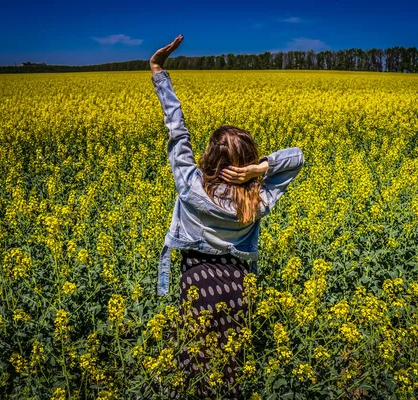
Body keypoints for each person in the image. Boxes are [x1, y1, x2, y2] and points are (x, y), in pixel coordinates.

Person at [149, 35, 304, 399]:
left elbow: (177, 131)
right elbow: (296, 158)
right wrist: (259, 168)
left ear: (208, 160)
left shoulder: (191, 188)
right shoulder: (257, 200)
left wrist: (159, 71)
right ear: (246, 162)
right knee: (230, 365)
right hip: (237, 288)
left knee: (195, 361)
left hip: (198, 285)